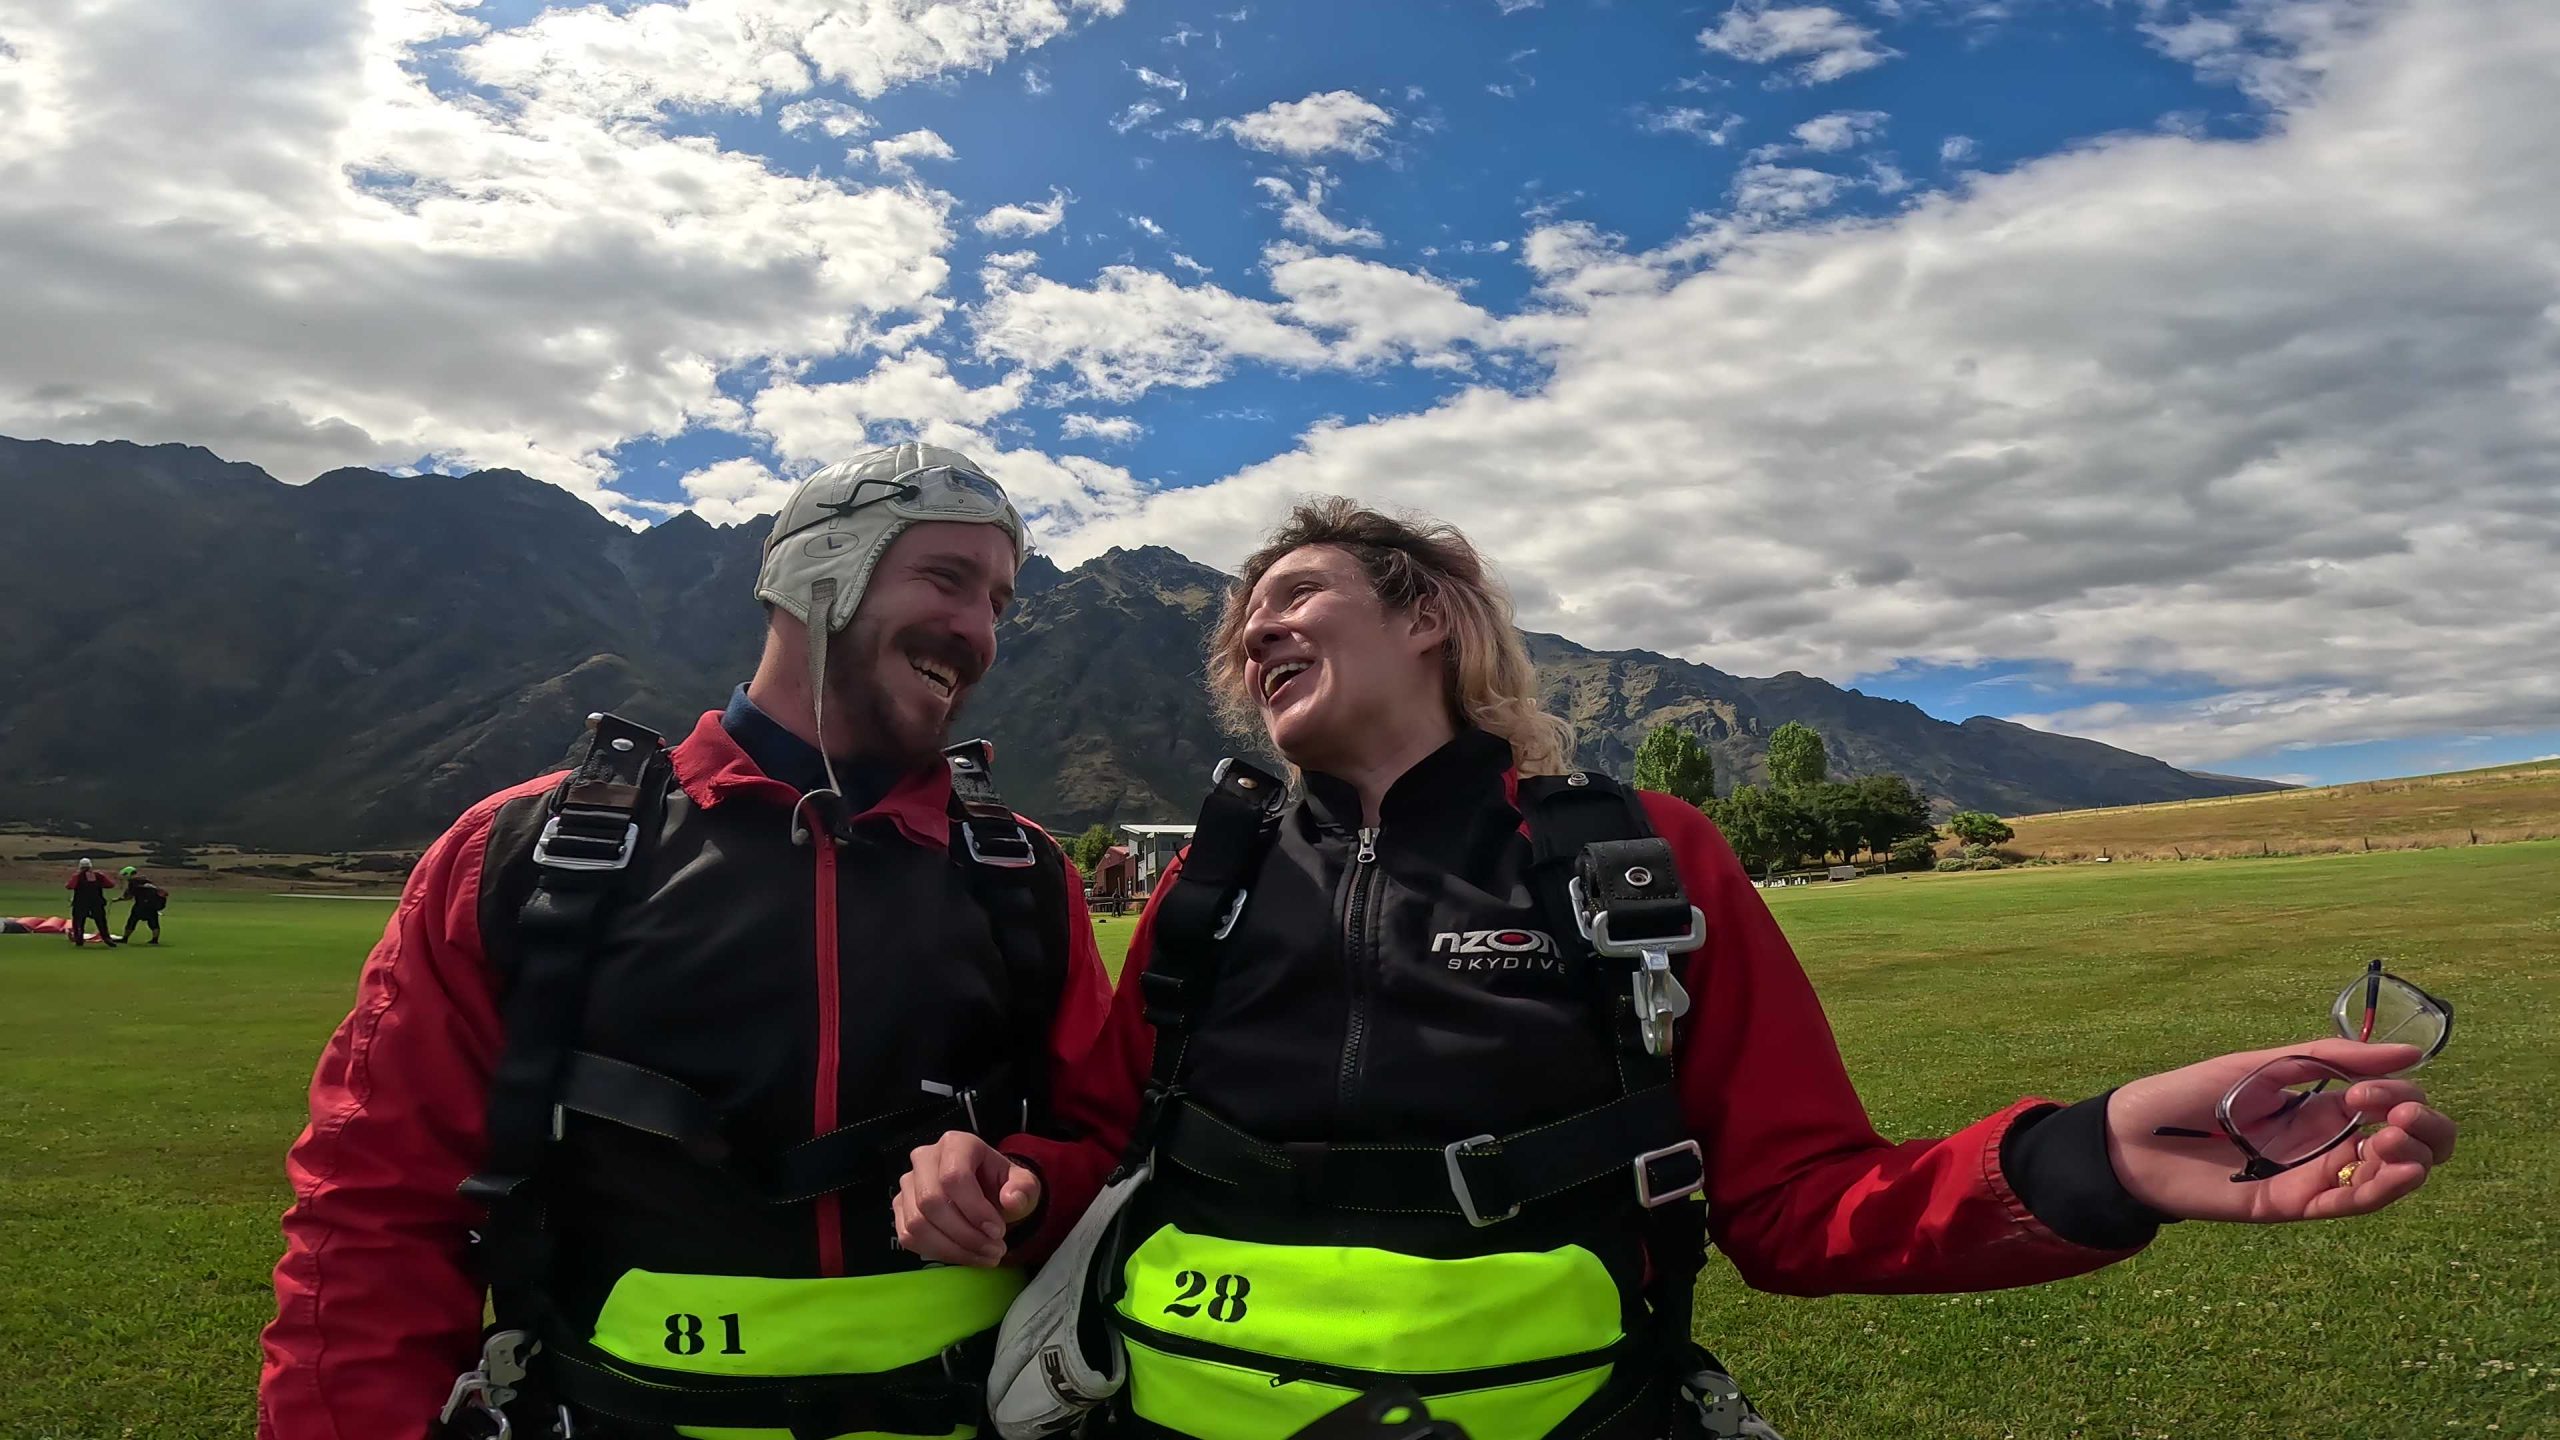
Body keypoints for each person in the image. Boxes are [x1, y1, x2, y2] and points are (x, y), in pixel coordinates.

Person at [901, 498, 2459, 1440]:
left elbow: (1794, 1206)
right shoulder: (1204, 883)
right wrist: (1009, 1180)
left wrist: (2089, 1158)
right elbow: (1101, 1146)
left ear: (1432, 619)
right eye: (1244, 625)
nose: (1257, 635)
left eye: (1296, 596)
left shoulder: (1633, 865)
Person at [259, 443, 1114, 1440]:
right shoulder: (532, 855)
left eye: (998, 605)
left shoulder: (1020, 877)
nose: (977, 631)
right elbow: (375, 1208)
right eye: (945, 579)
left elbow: (1116, 1150)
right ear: (813, 572)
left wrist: (1026, 1187)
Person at [64, 858, 120, 947]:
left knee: (78, 922)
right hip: (97, 902)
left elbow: (69, 886)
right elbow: (110, 885)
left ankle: (79, 940)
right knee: (101, 922)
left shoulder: (78, 876)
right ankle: (107, 938)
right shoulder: (98, 875)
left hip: (80, 903)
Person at [116, 865, 169, 945]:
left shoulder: (133, 882)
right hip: (152, 905)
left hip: (141, 905)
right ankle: (155, 940)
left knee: (132, 921)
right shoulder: (146, 881)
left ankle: (125, 938)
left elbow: (129, 896)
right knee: (154, 922)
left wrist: (119, 899)